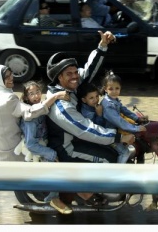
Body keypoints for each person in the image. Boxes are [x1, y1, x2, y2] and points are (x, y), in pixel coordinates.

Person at [45, 30, 135, 164]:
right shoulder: (60, 104)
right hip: (68, 147)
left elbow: (89, 70)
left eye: (75, 72)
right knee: (110, 159)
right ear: (60, 77)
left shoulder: (71, 86)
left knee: (117, 150)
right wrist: (118, 137)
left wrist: (103, 45)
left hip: (80, 138)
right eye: (69, 74)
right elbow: (84, 129)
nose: (75, 76)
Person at [0, 64, 65, 162]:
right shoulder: (7, 98)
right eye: (6, 77)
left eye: (10, 74)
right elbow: (30, 112)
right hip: (11, 150)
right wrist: (55, 97)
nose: (11, 78)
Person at [16, 80, 73, 214]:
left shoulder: (40, 108)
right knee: (56, 169)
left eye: (37, 92)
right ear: (26, 98)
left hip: (44, 143)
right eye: (31, 94)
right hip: (37, 149)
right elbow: (31, 144)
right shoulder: (30, 118)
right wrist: (51, 154)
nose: (36, 96)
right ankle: (52, 197)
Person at [100, 70, 148, 163]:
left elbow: (124, 110)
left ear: (120, 88)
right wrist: (136, 128)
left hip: (118, 132)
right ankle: (119, 174)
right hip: (110, 135)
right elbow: (119, 121)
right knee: (124, 152)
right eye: (111, 89)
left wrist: (137, 118)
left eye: (117, 88)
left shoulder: (115, 100)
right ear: (105, 89)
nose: (114, 91)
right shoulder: (107, 104)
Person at [77, 82, 130, 163]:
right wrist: (99, 115)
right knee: (125, 152)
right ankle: (119, 172)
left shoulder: (92, 106)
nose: (95, 100)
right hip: (101, 138)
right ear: (84, 100)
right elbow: (97, 128)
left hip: (107, 133)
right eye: (91, 98)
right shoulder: (88, 113)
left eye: (97, 96)